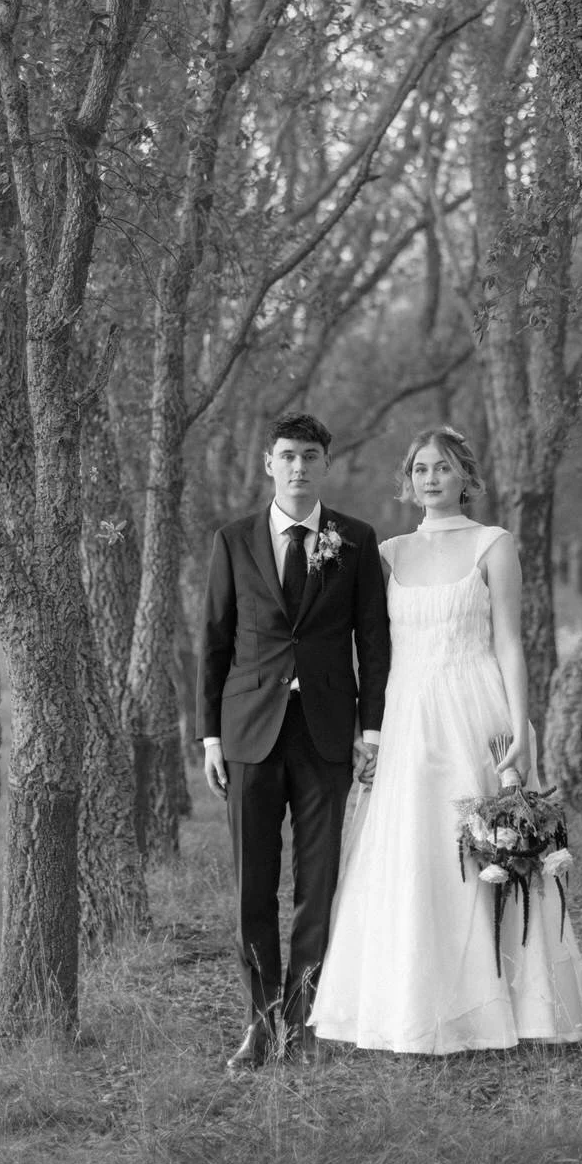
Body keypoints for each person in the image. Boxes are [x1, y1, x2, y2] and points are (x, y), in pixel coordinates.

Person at [310, 426, 582, 1053]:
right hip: (408, 716)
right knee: (413, 852)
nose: (430, 478)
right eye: (420, 469)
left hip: (474, 710)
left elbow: (509, 642)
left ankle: (502, 1007)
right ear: (408, 482)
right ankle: (414, 1008)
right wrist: (366, 731)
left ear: (465, 476)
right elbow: (369, 649)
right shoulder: (387, 553)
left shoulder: (494, 544)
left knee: (485, 851)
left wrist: (522, 728)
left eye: (442, 467)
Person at [200, 411, 390, 1071]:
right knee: (252, 888)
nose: (299, 466)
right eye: (287, 455)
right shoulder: (233, 540)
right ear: (269, 463)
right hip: (248, 734)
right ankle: (259, 1024)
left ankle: (305, 1022)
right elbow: (215, 642)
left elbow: (373, 641)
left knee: (318, 883)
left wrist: (371, 730)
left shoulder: (356, 539)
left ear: (325, 464)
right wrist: (210, 737)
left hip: (327, 734)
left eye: (310, 455)